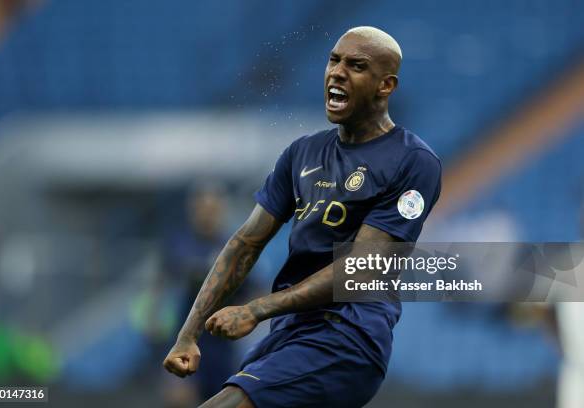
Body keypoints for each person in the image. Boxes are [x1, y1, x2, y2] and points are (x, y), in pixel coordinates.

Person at [163, 26, 442, 408]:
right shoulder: (302, 154)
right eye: (334, 60)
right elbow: (246, 242)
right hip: (289, 335)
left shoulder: (413, 161)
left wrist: (256, 308)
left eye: (356, 65)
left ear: (385, 85)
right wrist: (188, 335)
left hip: (348, 335)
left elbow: (360, 268)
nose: (337, 72)